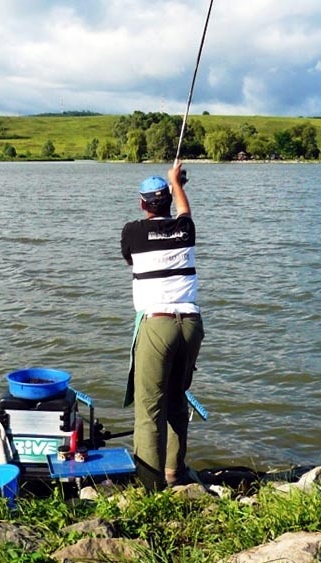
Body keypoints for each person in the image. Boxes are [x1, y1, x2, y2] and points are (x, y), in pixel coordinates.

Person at [120, 161, 204, 490]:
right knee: (176, 398)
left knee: (149, 406)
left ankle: (149, 486)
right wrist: (177, 183)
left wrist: (172, 185)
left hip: (158, 326)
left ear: (142, 203)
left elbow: (130, 258)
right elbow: (184, 210)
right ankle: (175, 472)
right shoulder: (187, 229)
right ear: (168, 200)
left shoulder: (133, 231)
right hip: (191, 325)